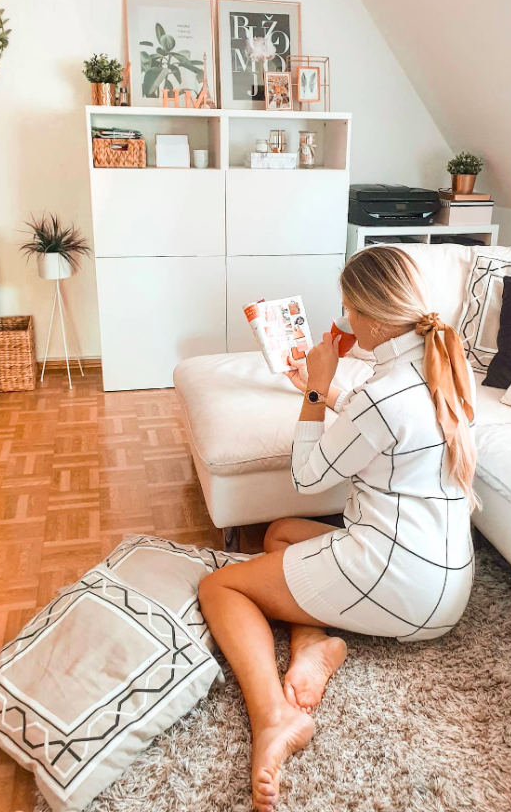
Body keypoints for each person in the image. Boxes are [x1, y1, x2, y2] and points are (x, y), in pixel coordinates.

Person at [198, 246, 478, 812]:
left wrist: (311, 392)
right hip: (447, 584)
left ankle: (274, 718)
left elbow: (307, 475)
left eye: (349, 308)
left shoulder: (380, 395)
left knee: (219, 588)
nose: (345, 320)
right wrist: (329, 391)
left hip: (396, 581)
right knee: (279, 532)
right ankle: (314, 647)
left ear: (373, 317)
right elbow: (384, 425)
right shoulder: (442, 366)